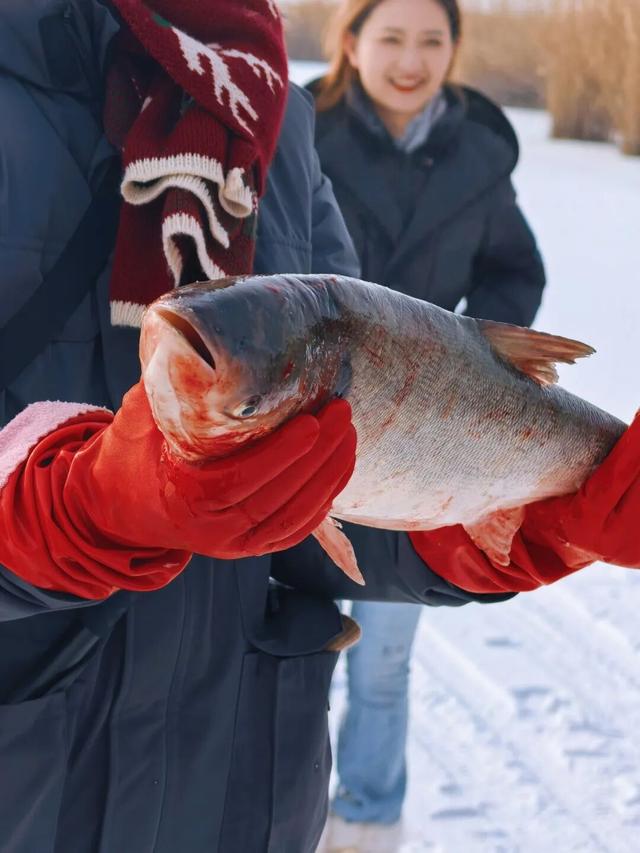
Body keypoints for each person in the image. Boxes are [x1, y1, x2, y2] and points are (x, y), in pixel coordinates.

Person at [1, 4, 640, 853]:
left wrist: (502, 530)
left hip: (242, 799)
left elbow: (323, 483)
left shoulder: (278, 116)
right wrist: (63, 519)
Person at [306, 0, 544, 845]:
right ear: (350, 41)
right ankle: (282, 816)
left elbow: (515, 270)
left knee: (382, 657)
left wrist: (472, 360)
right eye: (392, 38)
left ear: (455, 49)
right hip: (306, 428)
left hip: (422, 443)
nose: (412, 59)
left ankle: (366, 821)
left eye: (432, 40)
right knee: (293, 645)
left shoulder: (478, 153)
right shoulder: (304, 133)